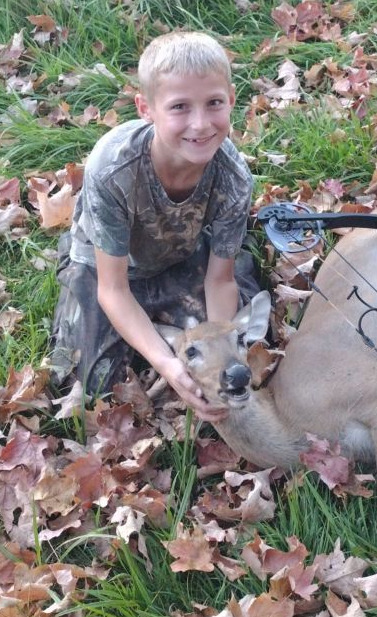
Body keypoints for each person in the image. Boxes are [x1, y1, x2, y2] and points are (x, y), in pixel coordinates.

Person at [48, 31, 260, 421]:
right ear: (146, 108)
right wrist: (170, 367)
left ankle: (163, 318)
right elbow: (112, 290)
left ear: (231, 99)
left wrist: (216, 358)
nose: (200, 124)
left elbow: (220, 281)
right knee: (95, 385)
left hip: (178, 257)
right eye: (179, 107)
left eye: (214, 103)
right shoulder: (113, 168)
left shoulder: (234, 177)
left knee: (247, 332)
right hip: (106, 268)